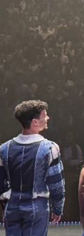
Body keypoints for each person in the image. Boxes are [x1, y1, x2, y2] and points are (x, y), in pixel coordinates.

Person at [0, 100, 66, 236]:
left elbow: (1, 182)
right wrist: (58, 208)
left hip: (11, 206)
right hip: (37, 206)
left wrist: (5, 203)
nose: (48, 118)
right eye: (45, 116)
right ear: (35, 122)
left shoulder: (4, 148)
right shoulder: (49, 148)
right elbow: (56, 183)